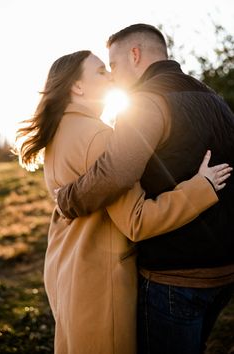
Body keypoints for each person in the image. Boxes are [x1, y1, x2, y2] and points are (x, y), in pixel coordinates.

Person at [15, 50, 231, 354]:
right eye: (102, 71)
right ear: (77, 87)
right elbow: (138, 221)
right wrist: (201, 187)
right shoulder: (99, 136)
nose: (111, 76)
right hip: (101, 282)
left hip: (66, 269)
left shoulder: (58, 134)